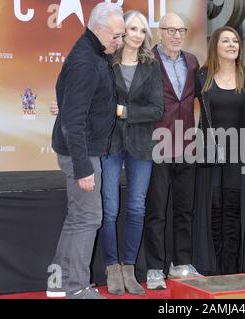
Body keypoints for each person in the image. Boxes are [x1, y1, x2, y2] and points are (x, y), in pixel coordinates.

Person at [48, 3, 125, 299]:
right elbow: (72, 120)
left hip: (83, 149)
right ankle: (76, 288)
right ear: (100, 28)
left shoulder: (94, 53)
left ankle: (58, 281)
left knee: (77, 216)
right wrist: (83, 167)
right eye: (116, 36)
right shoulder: (85, 61)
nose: (119, 42)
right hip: (80, 153)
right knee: (88, 218)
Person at [98, 10, 164, 296]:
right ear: (121, 32)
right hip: (110, 143)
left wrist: (125, 112)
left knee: (137, 207)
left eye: (141, 30)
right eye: (131, 29)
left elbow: (157, 109)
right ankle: (112, 268)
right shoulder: (105, 61)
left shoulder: (151, 65)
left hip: (141, 145)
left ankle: (129, 269)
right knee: (109, 209)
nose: (137, 35)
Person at [192, 26, 245, 275]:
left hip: (240, 153)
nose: (232, 45)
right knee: (215, 209)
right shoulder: (202, 77)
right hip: (210, 152)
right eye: (226, 41)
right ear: (215, 46)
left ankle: (231, 270)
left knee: (233, 210)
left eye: (235, 41)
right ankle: (215, 269)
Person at [144, 13, 201, 290]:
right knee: (156, 210)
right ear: (159, 32)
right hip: (158, 146)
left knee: (184, 209)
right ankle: (155, 268)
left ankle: (181, 263)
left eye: (181, 30)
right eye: (171, 30)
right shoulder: (148, 61)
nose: (177, 35)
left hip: (187, 145)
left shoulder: (192, 62)